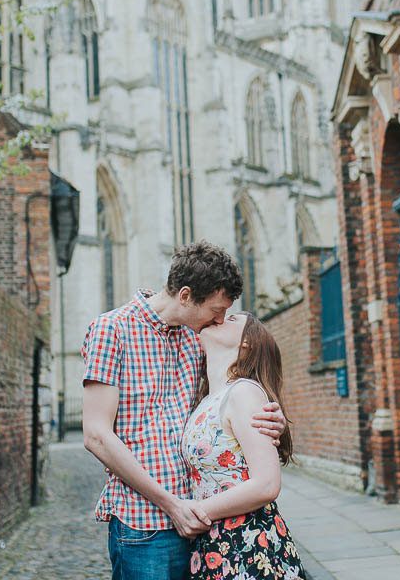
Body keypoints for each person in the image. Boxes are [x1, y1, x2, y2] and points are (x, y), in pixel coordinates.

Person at [82, 241, 287, 580]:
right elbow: (96, 436)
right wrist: (171, 504)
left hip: (204, 527)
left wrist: (271, 419)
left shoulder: (198, 339)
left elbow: (230, 396)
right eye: (216, 310)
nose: (219, 320)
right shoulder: (111, 330)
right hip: (145, 525)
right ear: (186, 295)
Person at [181, 311, 307, 580]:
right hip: (213, 541)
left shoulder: (244, 392)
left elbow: (267, 485)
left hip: (247, 543)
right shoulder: (207, 399)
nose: (219, 317)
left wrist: (197, 512)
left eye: (232, 319)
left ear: (247, 343)